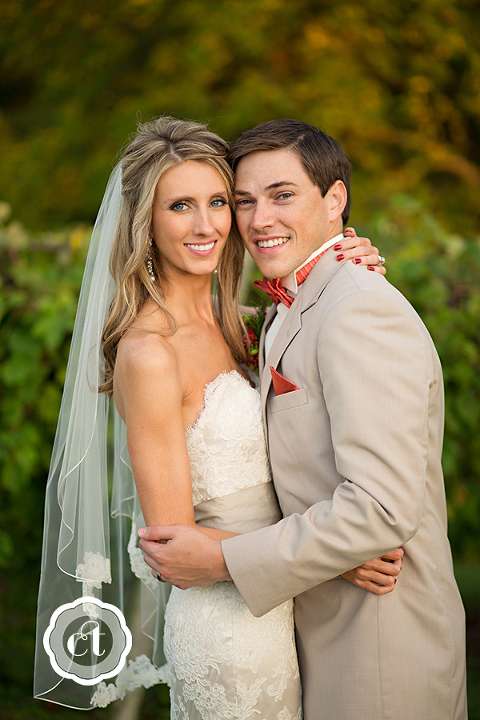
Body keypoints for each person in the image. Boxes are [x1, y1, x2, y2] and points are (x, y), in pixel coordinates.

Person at [34, 116, 395, 717]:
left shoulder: (246, 323)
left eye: (219, 202)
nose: (207, 226)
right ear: (145, 223)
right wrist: (337, 557)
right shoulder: (150, 353)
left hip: (289, 604)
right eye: (180, 206)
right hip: (228, 629)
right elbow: (173, 545)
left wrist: (341, 263)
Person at [139, 119, 468, 720]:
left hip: (376, 644)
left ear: (335, 199)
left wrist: (226, 558)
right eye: (244, 200)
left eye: (283, 195)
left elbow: (381, 510)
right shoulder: (270, 314)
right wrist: (341, 554)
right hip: (296, 622)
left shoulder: (357, 309)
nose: (258, 219)